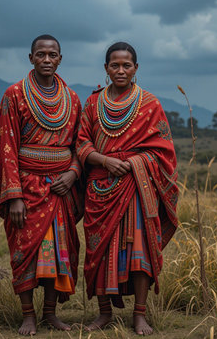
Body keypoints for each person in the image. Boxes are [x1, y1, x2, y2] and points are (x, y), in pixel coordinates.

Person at [76, 42, 179, 335]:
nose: (120, 70)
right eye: (114, 65)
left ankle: (140, 315)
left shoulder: (149, 103)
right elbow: (81, 143)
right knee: (100, 251)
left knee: (139, 249)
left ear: (136, 68)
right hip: (100, 188)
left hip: (136, 187)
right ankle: (104, 314)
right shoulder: (93, 103)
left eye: (127, 65)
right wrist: (105, 160)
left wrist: (134, 162)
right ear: (106, 69)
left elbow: (164, 152)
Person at [0, 34, 83, 336]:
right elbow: (7, 147)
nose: (46, 60)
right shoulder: (14, 95)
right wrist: (13, 196)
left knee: (59, 251)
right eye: (40, 54)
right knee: (26, 251)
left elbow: (81, 145)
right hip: (26, 189)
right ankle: (28, 315)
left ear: (60, 59)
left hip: (61, 188)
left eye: (52, 55)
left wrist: (73, 173)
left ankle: (50, 314)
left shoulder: (73, 98)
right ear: (31, 58)